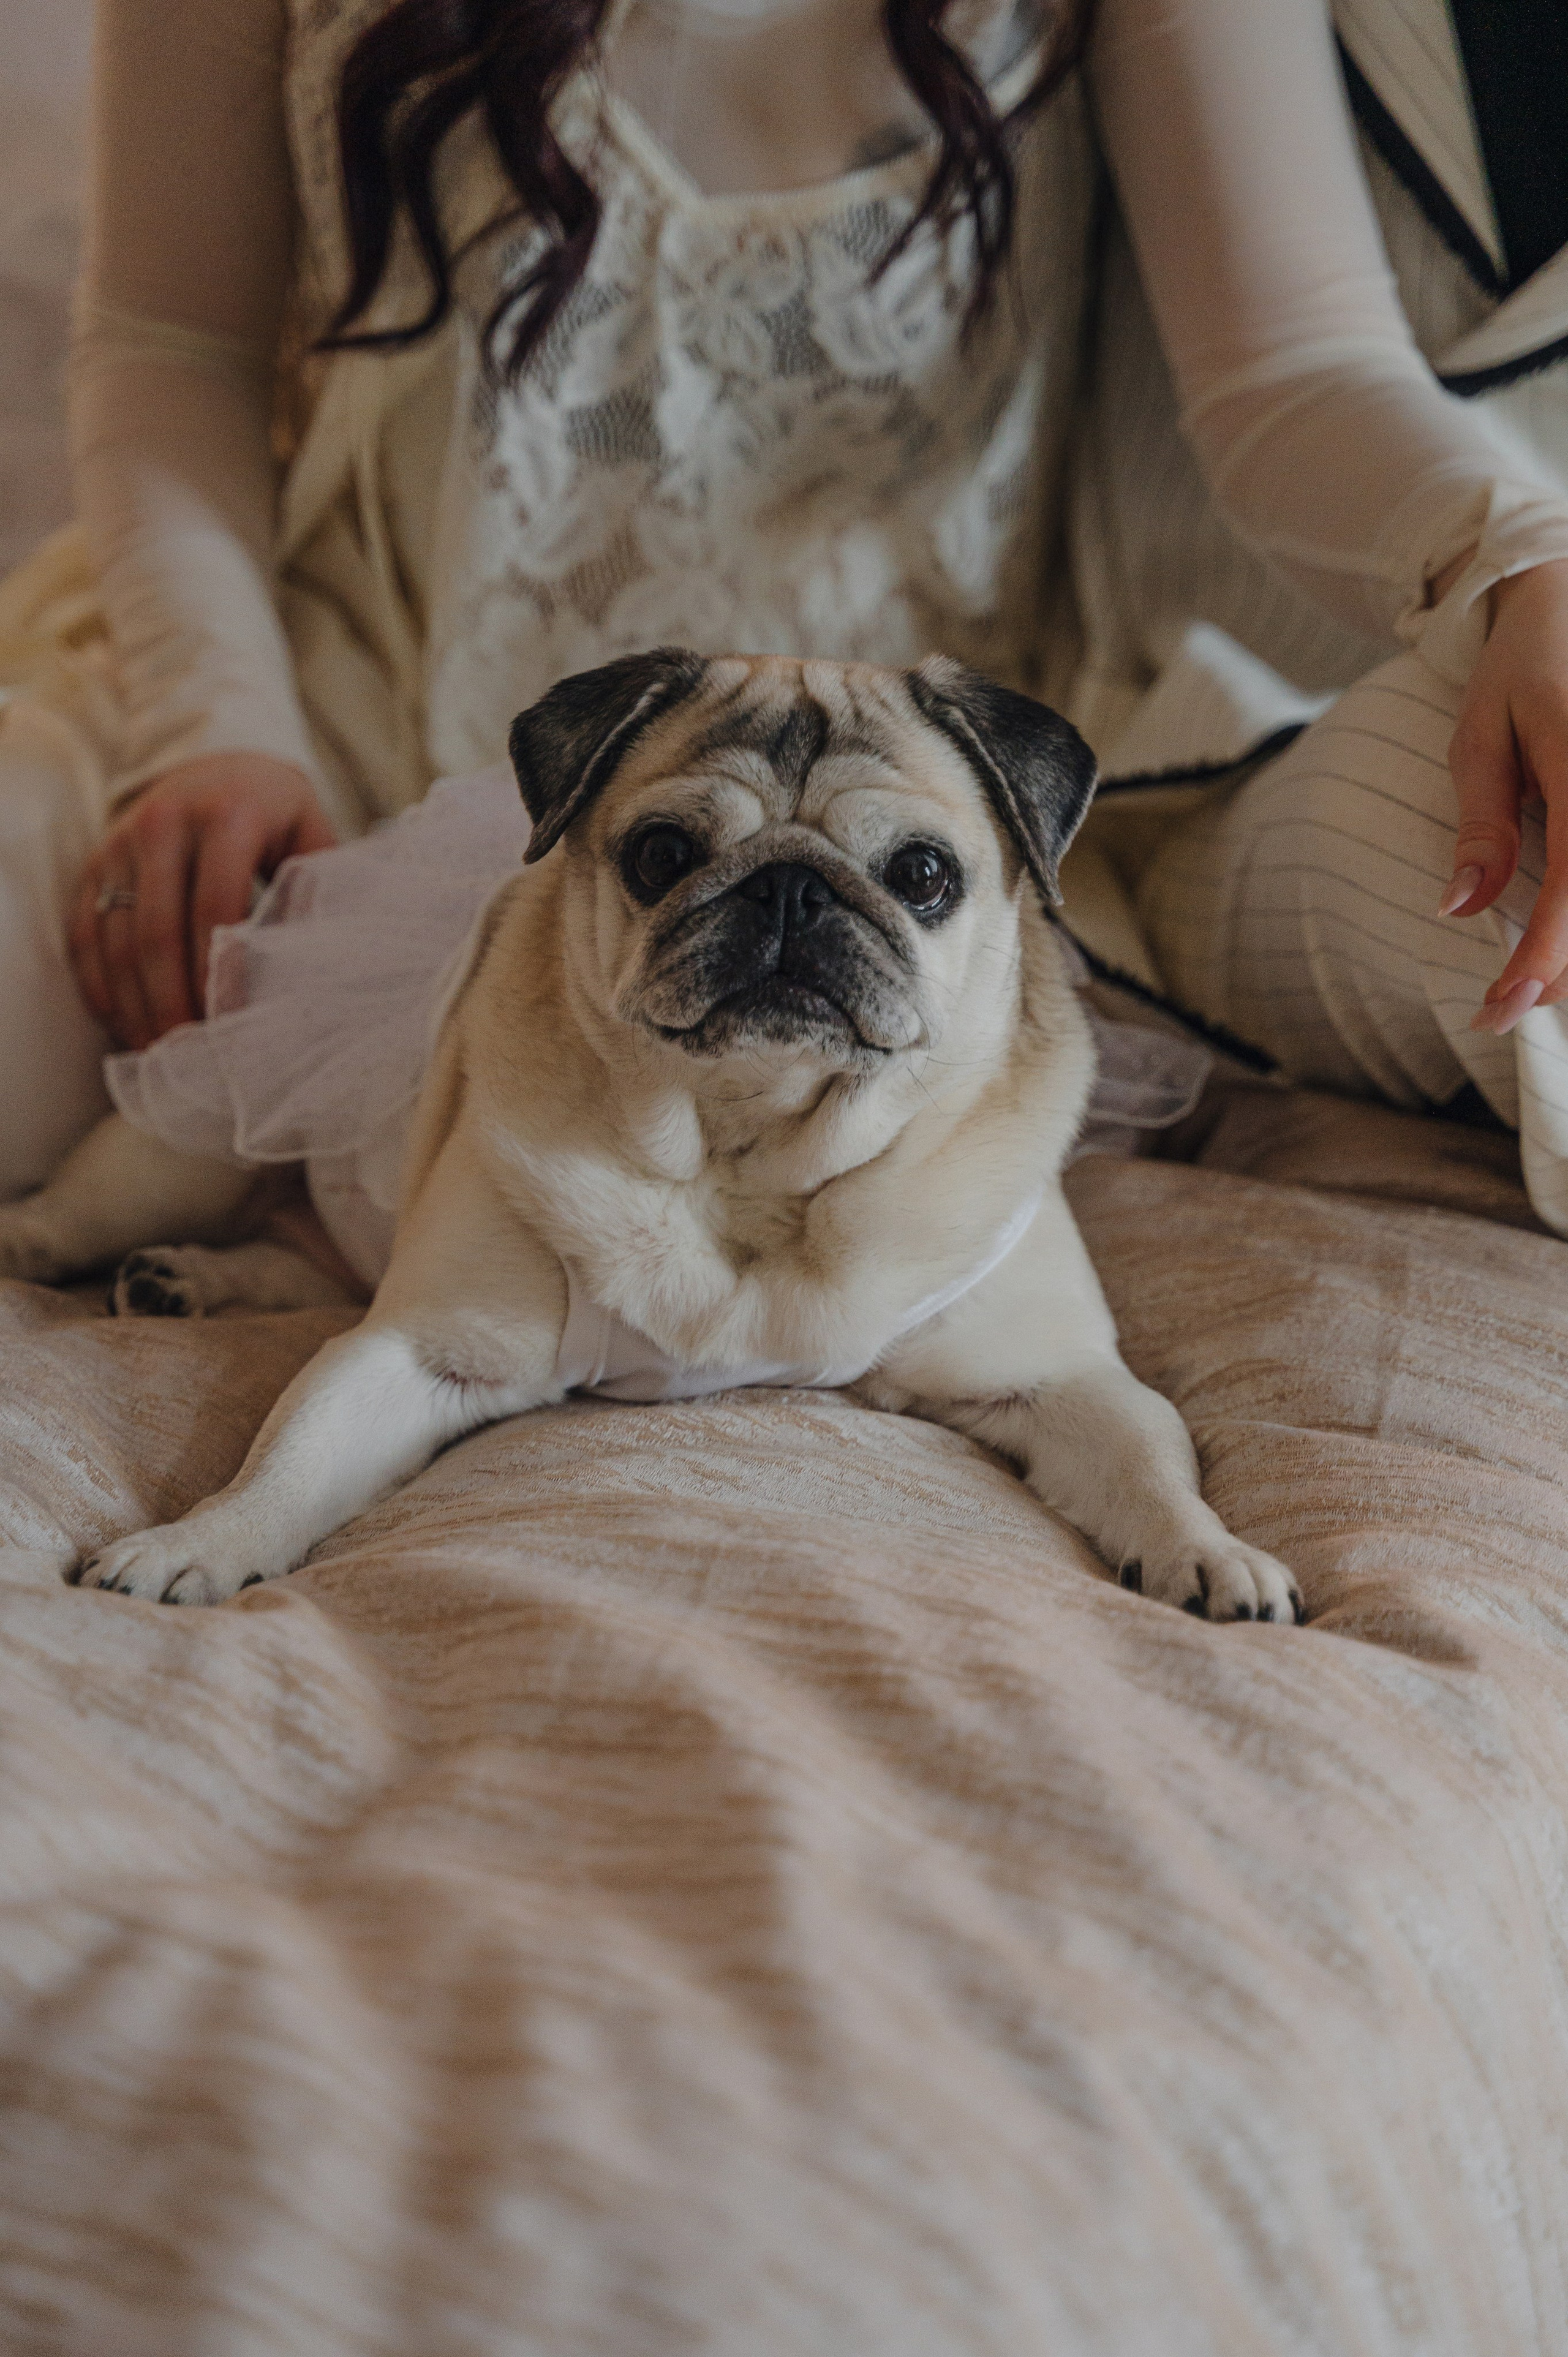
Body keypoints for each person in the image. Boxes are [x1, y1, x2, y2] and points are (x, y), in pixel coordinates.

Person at [4, 0, 1568, 1225]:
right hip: (331, 713)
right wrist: (211, 729)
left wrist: (1522, 553)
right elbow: (166, 345)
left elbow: (1290, 371)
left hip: (911, 811)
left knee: (1521, 823)